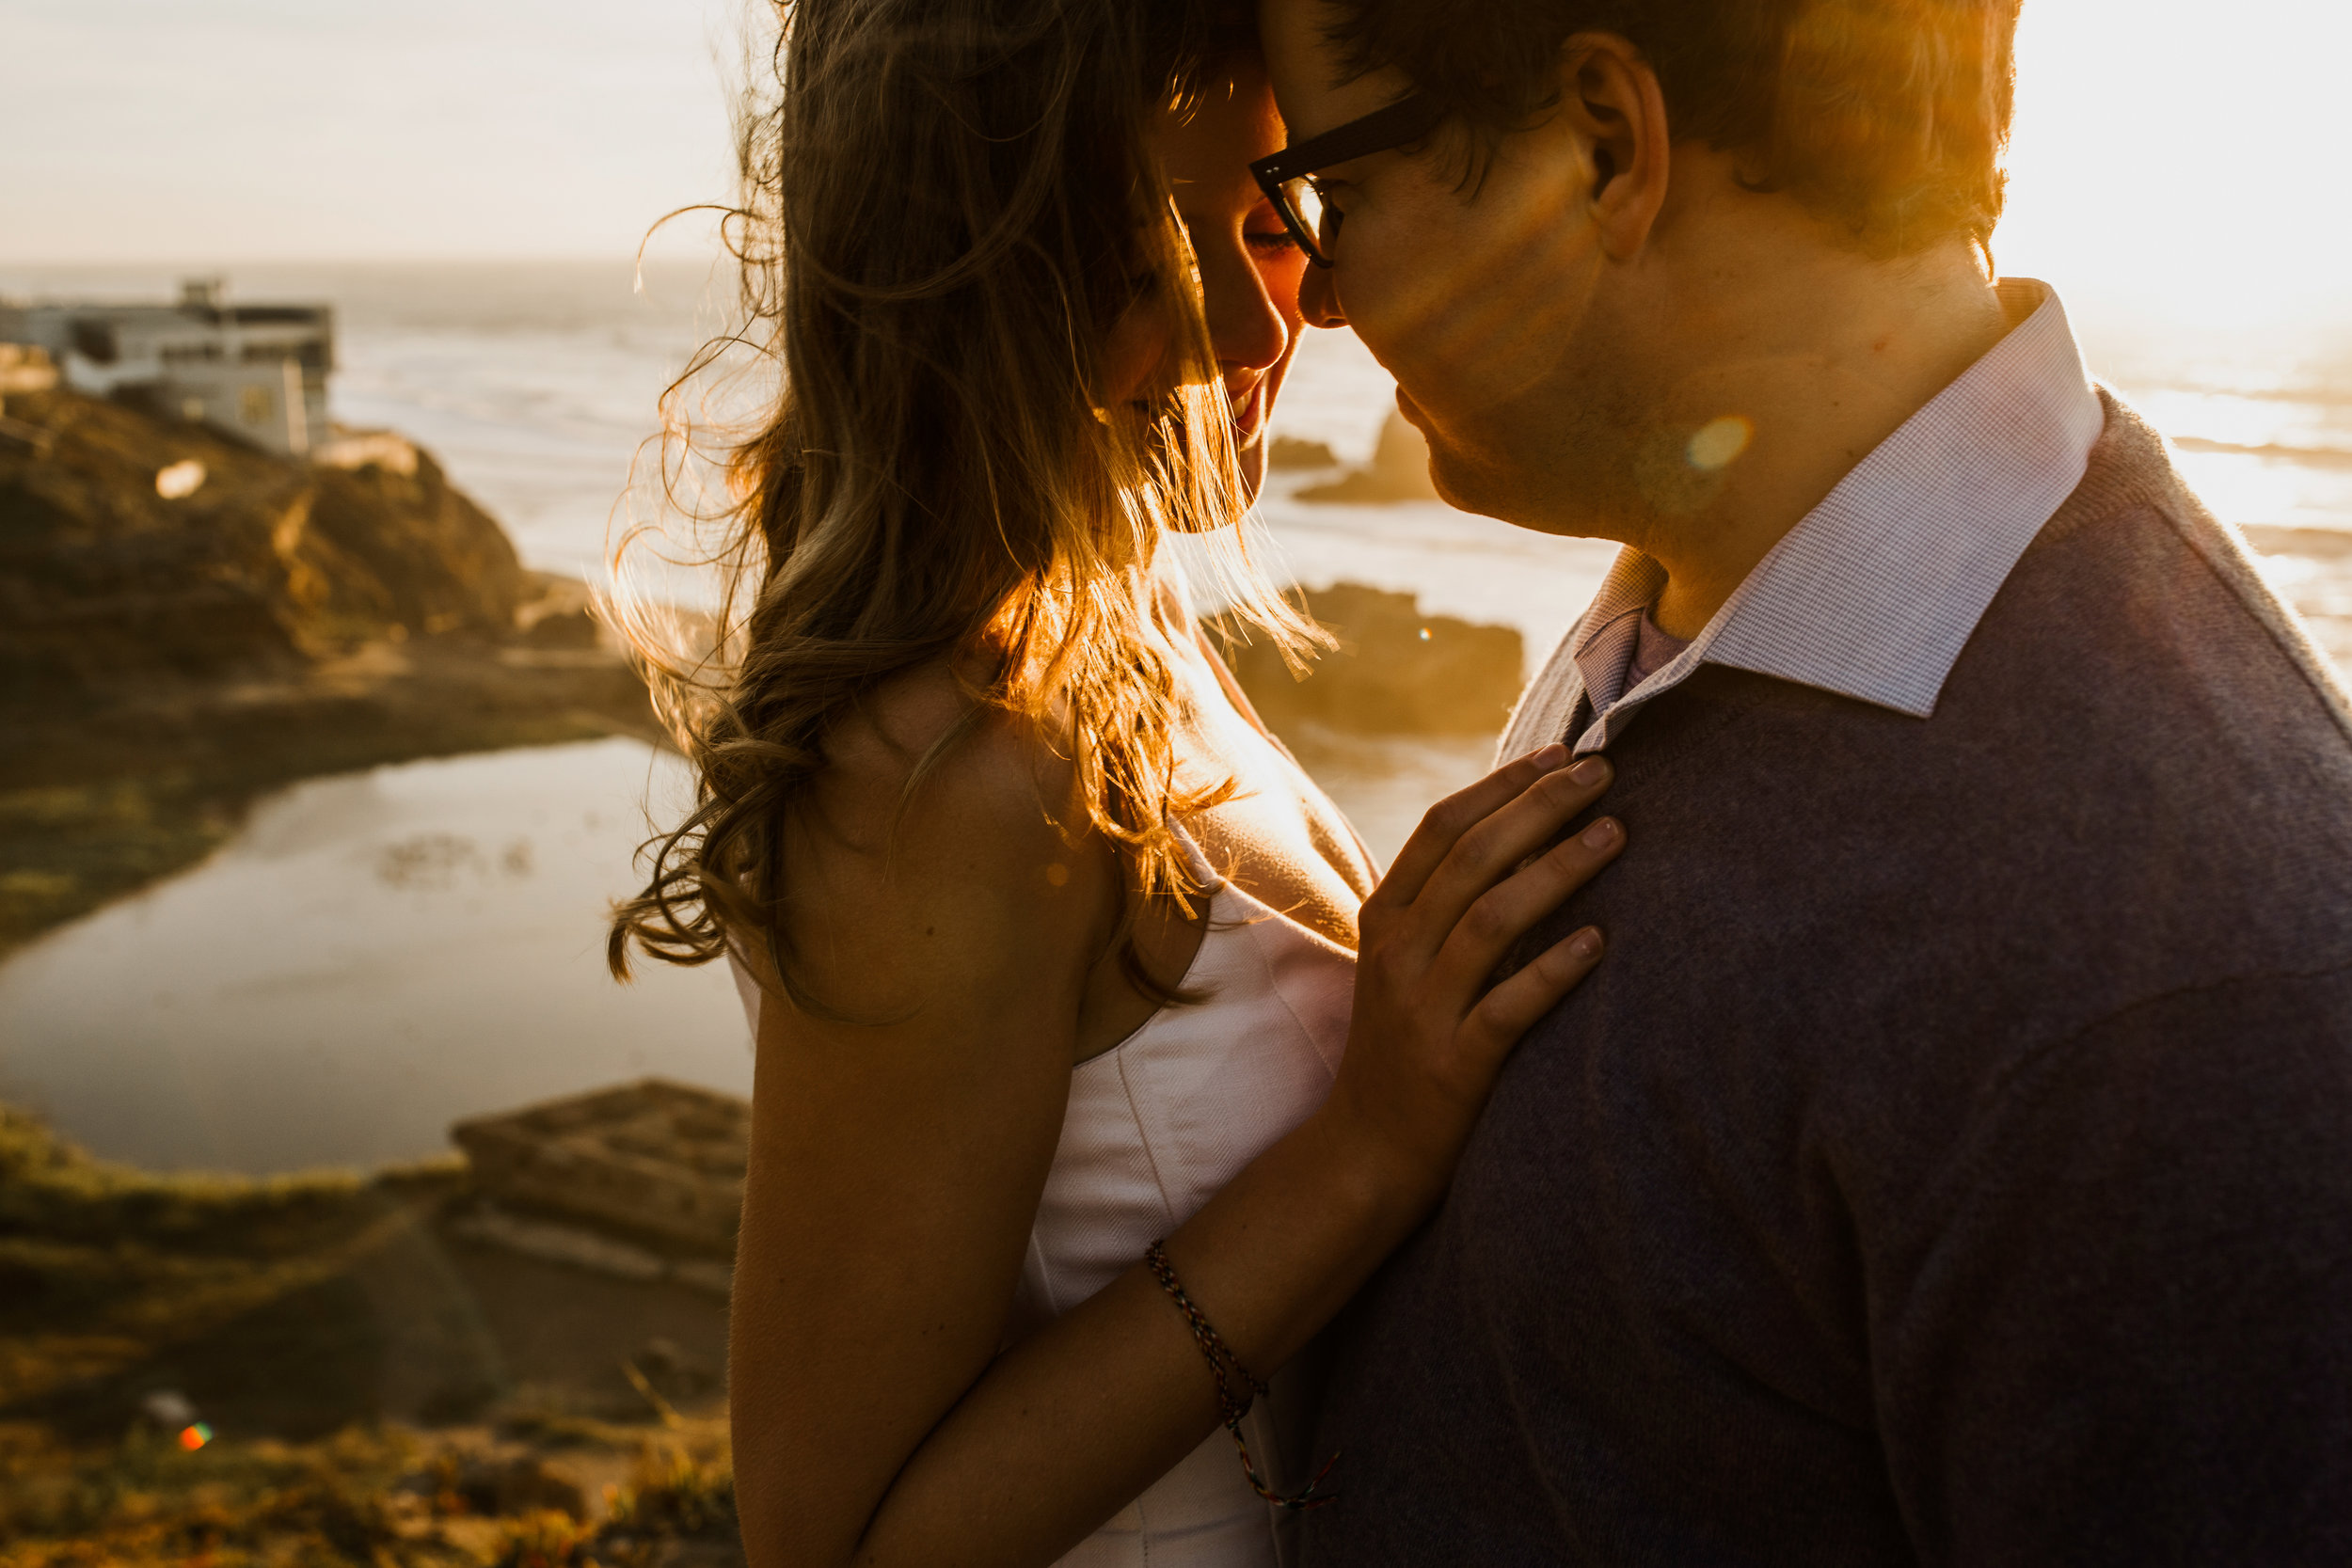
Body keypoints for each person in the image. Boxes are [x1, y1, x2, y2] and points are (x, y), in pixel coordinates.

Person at [1256, 0, 2352, 1560]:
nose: (1325, 295)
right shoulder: (1712, 621)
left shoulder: (2181, 985)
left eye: (1334, 195)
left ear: (1603, 146)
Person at [608, 3, 1634, 1564]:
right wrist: (1365, 1152)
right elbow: (835, 1541)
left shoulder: (1113, 626)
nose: (1255, 326)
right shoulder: (945, 773)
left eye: (1269, 214)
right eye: (1135, 259)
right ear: (961, 273)